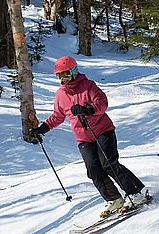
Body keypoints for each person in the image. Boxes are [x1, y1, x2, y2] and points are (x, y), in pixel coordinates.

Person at [23, 55, 149, 218]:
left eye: (65, 75)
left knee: (109, 164)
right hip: (83, 138)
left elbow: (102, 102)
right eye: (59, 76)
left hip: (103, 131)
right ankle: (114, 199)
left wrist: (88, 109)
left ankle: (135, 193)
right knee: (93, 169)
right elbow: (57, 116)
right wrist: (42, 129)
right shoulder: (60, 94)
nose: (63, 79)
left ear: (74, 72)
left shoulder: (88, 86)